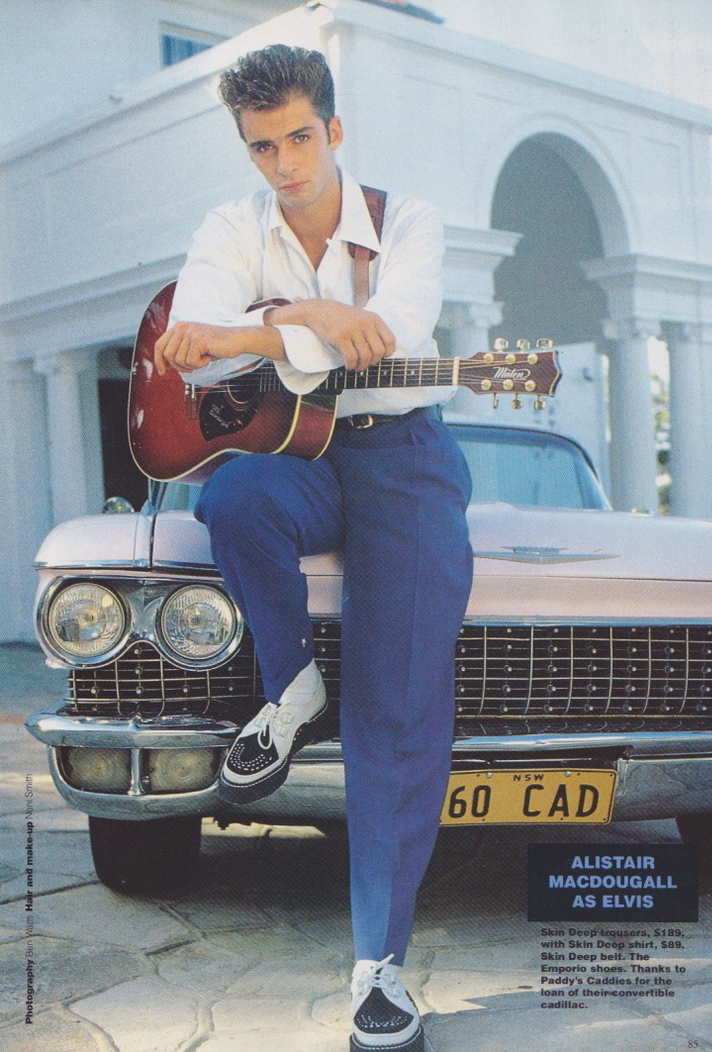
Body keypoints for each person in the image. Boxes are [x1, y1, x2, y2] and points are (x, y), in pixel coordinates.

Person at [154, 44, 473, 1052]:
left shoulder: (407, 221)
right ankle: (291, 688)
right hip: (297, 450)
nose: (285, 164)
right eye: (263, 147)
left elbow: (388, 334)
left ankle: (378, 966)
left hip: (401, 455)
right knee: (234, 496)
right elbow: (194, 333)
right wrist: (311, 317)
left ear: (334, 130)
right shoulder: (229, 227)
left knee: (397, 703)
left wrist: (272, 325)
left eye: (300, 138)